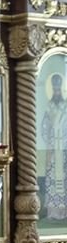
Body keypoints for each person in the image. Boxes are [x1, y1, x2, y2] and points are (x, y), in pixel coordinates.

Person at [42, 73, 67, 220]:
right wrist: (49, 142)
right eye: (55, 89)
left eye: (59, 89)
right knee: (52, 179)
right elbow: (44, 127)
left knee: (64, 179)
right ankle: (52, 212)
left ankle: (64, 212)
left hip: (63, 148)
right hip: (52, 148)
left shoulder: (65, 106)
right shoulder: (49, 106)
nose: (57, 92)